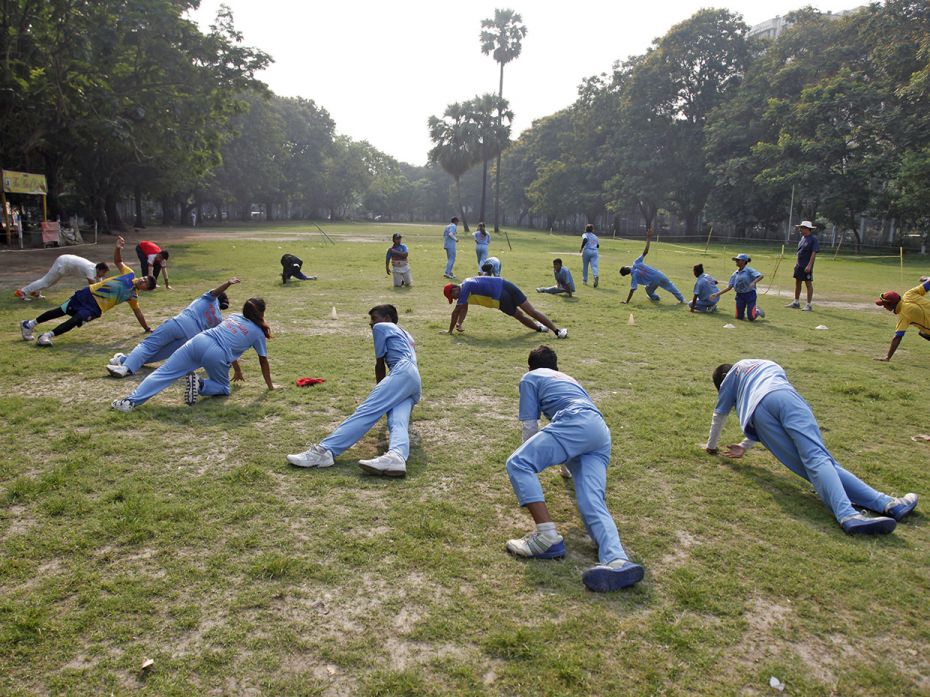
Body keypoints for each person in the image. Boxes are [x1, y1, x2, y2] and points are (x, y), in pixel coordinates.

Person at [703, 359, 917, 534]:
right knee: (818, 459)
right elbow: (765, 397)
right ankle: (886, 505)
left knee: (813, 464)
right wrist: (743, 446)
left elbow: (720, 414)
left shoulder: (728, 379)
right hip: (783, 398)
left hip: (759, 417)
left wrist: (711, 446)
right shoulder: (761, 365)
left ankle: (861, 511)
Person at [504, 345, 644, 592]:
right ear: (556, 367)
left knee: (518, 463)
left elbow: (530, 426)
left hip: (575, 423)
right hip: (598, 431)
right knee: (592, 500)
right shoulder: (568, 378)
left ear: (529, 366)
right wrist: (565, 469)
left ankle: (546, 537)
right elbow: (570, 439)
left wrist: (533, 459)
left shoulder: (530, 378)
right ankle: (617, 559)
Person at [287, 304, 420, 477]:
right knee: (397, 421)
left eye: (374, 319)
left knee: (367, 410)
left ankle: (324, 452)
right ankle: (397, 457)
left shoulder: (382, 327)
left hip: (401, 372)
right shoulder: (406, 334)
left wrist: (380, 391)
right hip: (414, 379)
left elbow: (379, 364)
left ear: (387, 318)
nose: (371, 324)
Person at [111, 298, 280, 411]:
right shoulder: (258, 332)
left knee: (163, 373)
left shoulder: (234, 316)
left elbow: (231, 340)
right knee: (223, 388)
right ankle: (200, 385)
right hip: (217, 353)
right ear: (262, 313)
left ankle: (130, 401)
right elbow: (262, 362)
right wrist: (271, 386)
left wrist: (237, 370)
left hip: (198, 340)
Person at [20, 236, 154, 346]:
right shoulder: (129, 274)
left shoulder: (132, 296)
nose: (142, 280)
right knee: (61, 310)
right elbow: (118, 261)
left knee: (76, 319)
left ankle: (46, 336)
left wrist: (146, 328)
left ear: (145, 289)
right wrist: (118, 248)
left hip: (96, 308)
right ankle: (29, 324)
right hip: (87, 294)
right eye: (143, 278)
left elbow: (138, 313)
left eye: (145, 283)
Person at [106, 278, 238, 378]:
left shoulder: (210, 298)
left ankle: (126, 368)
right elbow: (221, 341)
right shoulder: (218, 319)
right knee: (156, 355)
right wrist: (234, 367)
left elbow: (216, 291)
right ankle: (122, 359)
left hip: (179, 323)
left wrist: (227, 283)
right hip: (189, 338)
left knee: (148, 346)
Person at [443, 276, 568, 338]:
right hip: (506, 284)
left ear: (455, 288)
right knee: (531, 311)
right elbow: (464, 308)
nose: (454, 299)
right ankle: (557, 331)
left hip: (500, 298)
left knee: (520, 316)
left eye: (452, 296)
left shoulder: (464, 289)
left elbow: (456, 311)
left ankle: (540, 328)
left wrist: (450, 331)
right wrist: (459, 323)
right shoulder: (466, 283)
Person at [620, 230, 685, 304]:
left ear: (627, 274)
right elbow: (645, 252)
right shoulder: (636, 262)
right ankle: (682, 300)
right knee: (670, 286)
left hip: (653, 281)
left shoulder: (634, 276)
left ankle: (656, 298)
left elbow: (632, 289)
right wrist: (648, 239)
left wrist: (627, 301)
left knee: (648, 290)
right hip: (658, 274)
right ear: (626, 267)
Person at [874, 277, 930, 361]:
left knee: (924, 332)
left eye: (884, 304)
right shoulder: (909, 294)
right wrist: (927, 278)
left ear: (891, 304)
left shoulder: (904, 315)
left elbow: (897, 337)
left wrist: (887, 357)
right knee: (922, 333)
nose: (883, 307)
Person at [15, 254, 109, 300]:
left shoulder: (94, 268)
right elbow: (93, 286)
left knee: (50, 282)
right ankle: (22, 292)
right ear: (99, 269)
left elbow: (99, 282)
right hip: (63, 263)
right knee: (46, 281)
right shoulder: (90, 269)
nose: (103, 275)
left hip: (66, 264)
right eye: (103, 273)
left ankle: (34, 292)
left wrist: (104, 289)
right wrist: (101, 295)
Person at [711, 254, 764, 321]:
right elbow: (729, 287)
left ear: (744, 261)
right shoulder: (735, 274)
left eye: (738, 260)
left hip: (750, 294)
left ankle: (757, 311)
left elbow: (760, 276)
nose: (736, 261)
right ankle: (744, 313)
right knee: (739, 317)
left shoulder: (749, 270)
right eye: (736, 260)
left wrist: (753, 282)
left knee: (751, 318)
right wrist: (717, 294)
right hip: (740, 296)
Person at [786, 221, 820, 311]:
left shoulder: (813, 239)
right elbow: (799, 252)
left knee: (808, 284)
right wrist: (796, 263)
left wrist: (809, 265)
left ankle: (808, 305)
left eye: (802, 228)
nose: (800, 229)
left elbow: (814, 253)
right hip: (799, 265)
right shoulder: (802, 238)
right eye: (800, 228)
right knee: (797, 282)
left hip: (806, 266)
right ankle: (796, 302)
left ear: (807, 229)